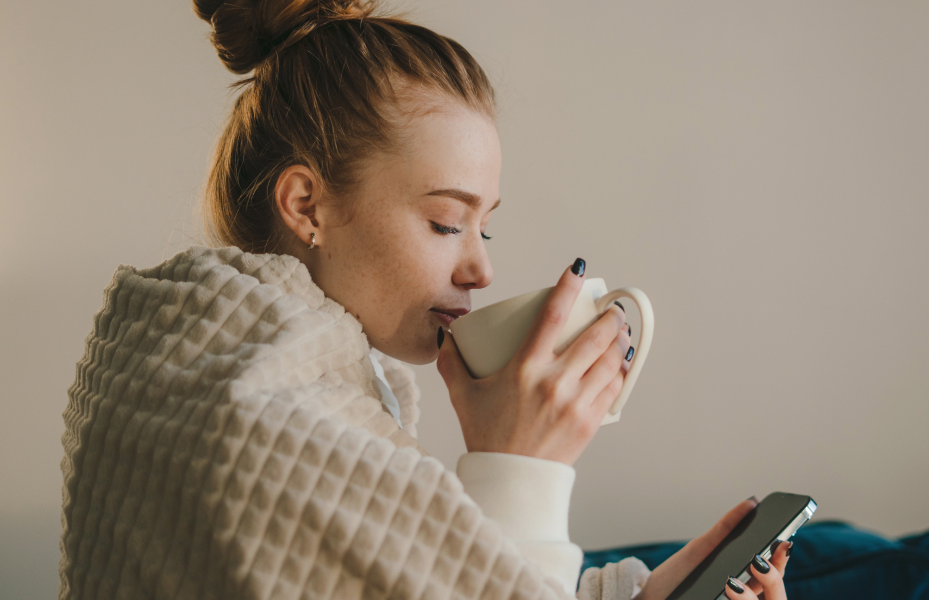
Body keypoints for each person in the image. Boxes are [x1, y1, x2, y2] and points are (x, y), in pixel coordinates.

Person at [58, 1, 791, 598]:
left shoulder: (254, 376)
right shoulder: (251, 417)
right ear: (306, 204)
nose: (480, 270)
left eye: (486, 228)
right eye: (446, 221)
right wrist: (522, 468)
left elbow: (438, 573)